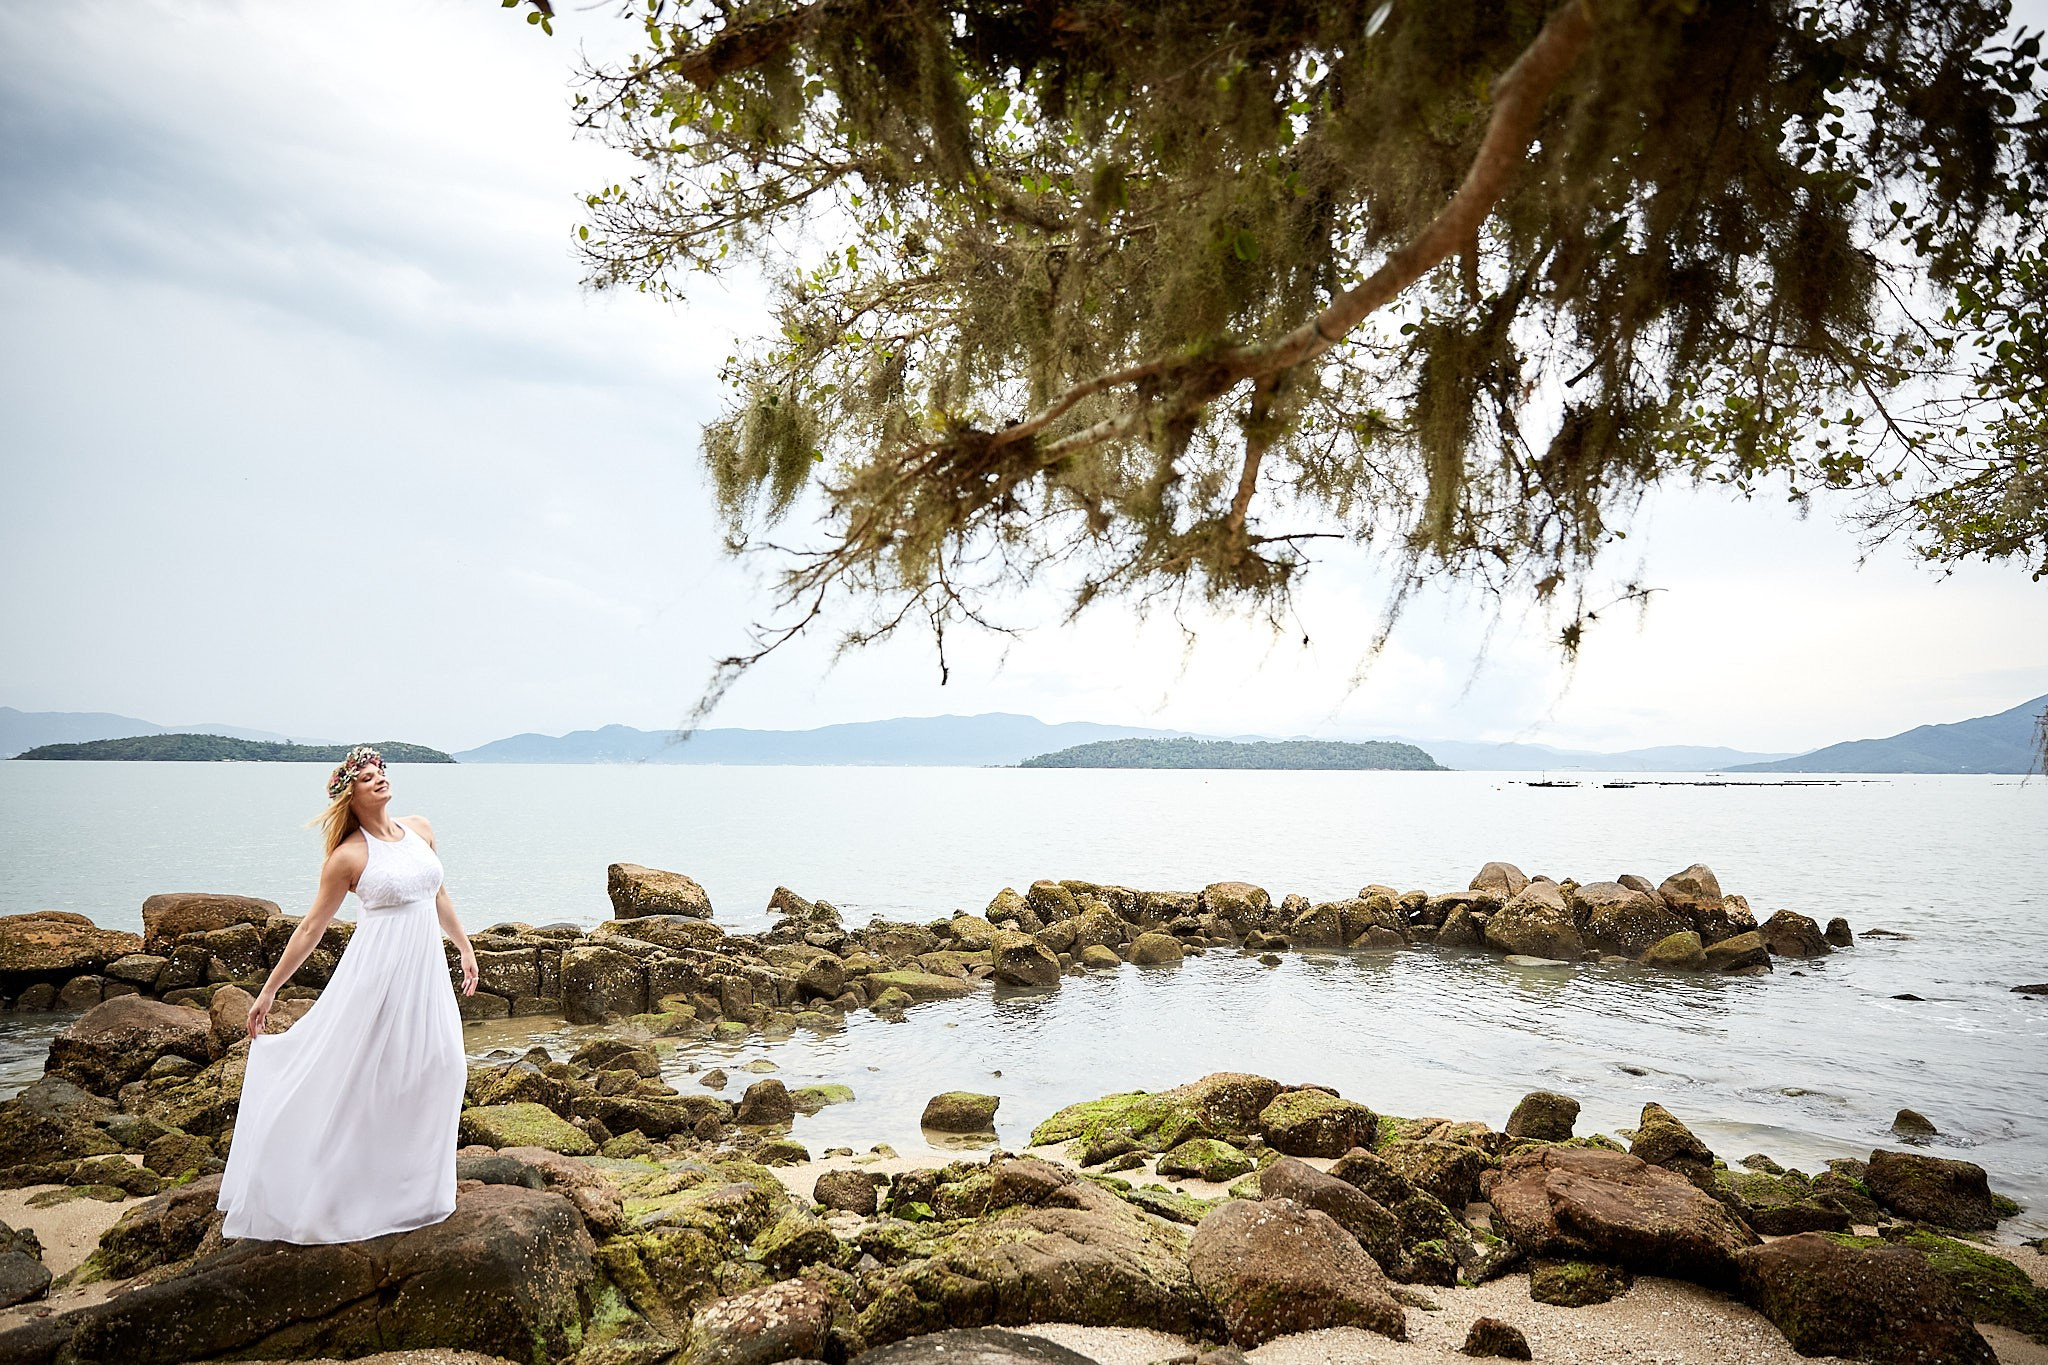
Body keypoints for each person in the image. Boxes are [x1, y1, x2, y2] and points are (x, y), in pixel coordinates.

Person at [215, 744, 479, 1243]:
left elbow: (438, 894)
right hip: (378, 977)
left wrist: (464, 946)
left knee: (443, 1067)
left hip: (425, 976)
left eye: (379, 770)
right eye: (364, 777)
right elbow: (312, 927)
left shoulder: (420, 828)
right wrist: (269, 991)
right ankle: (343, 1192)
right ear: (348, 795)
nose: (377, 778)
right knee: (364, 1079)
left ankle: (420, 1193)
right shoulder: (348, 856)